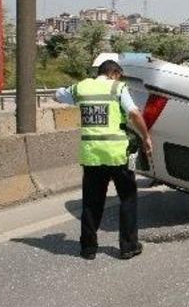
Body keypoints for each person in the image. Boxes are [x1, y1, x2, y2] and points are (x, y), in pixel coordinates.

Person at [54, 60, 153, 260]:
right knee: (127, 198)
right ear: (114, 73)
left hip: (91, 155)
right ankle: (129, 247)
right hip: (117, 154)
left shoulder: (81, 87)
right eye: (120, 76)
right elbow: (134, 113)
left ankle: (88, 248)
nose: (120, 79)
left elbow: (57, 95)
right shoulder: (117, 87)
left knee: (91, 202)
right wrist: (146, 137)